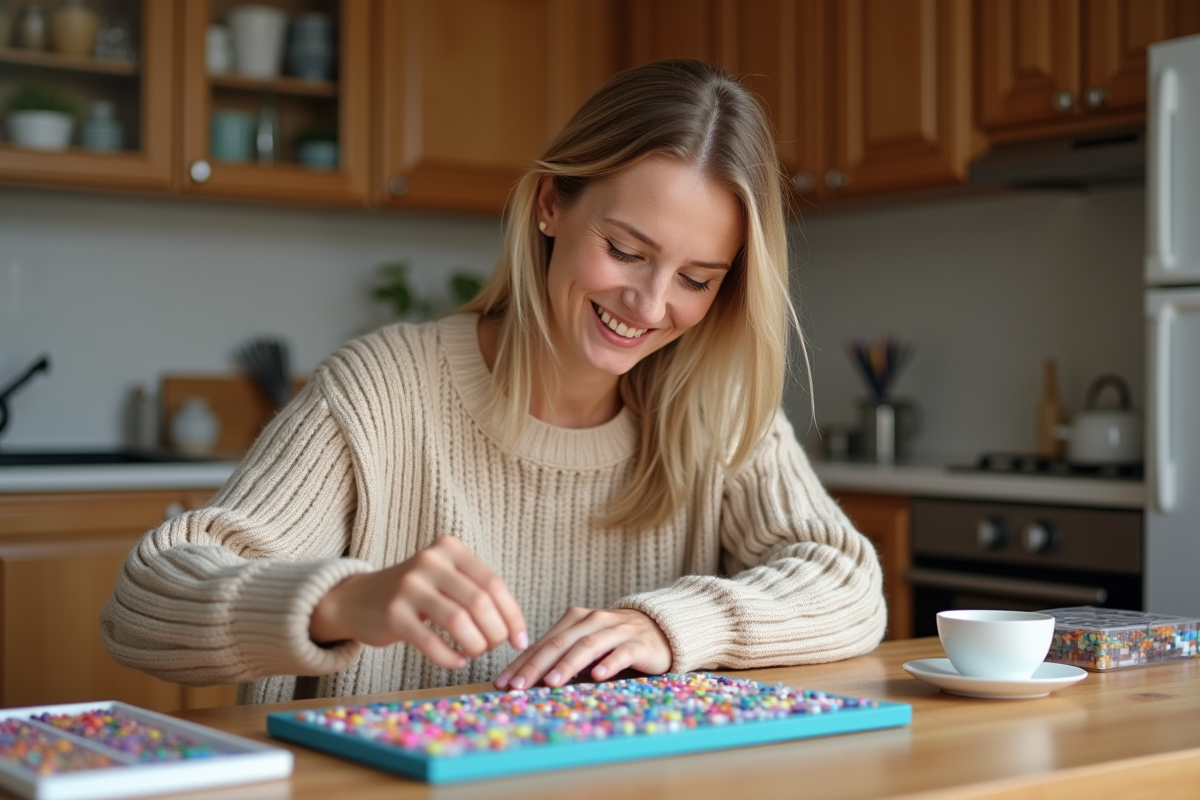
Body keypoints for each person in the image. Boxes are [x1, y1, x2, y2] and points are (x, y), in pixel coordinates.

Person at [100, 59, 886, 704]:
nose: (649, 305)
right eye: (624, 249)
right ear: (551, 205)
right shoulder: (382, 392)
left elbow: (848, 587)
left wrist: (671, 626)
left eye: (698, 278)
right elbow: (145, 602)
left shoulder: (710, 411)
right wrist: (345, 601)